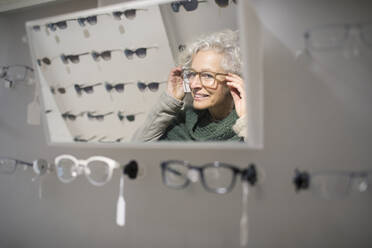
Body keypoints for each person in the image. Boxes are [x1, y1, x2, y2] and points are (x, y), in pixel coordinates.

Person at [132, 29, 248, 142]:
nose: (194, 84)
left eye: (207, 75)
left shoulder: (251, 127)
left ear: (235, 79)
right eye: (192, 74)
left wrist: (246, 121)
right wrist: (169, 102)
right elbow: (137, 149)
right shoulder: (184, 122)